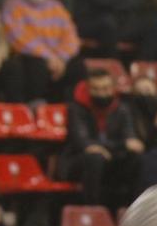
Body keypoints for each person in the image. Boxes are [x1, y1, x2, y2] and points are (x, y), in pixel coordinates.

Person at [61, 68, 144, 207]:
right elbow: (83, 143)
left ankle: (130, 209)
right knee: (95, 158)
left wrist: (112, 147)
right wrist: (121, 145)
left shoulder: (123, 109)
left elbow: (132, 141)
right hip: (78, 161)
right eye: (96, 89)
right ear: (88, 89)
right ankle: (93, 212)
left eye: (105, 88)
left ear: (113, 88)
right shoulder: (76, 108)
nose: (101, 93)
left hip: (112, 159)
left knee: (137, 157)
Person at [1, 0, 84, 103]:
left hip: (58, 59)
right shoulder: (13, 5)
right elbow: (18, 37)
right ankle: (35, 105)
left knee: (78, 67)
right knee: (36, 66)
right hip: (30, 56)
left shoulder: (56, 7)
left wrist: (61, 58)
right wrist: (49, 57)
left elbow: (71, 36)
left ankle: (73, 107)